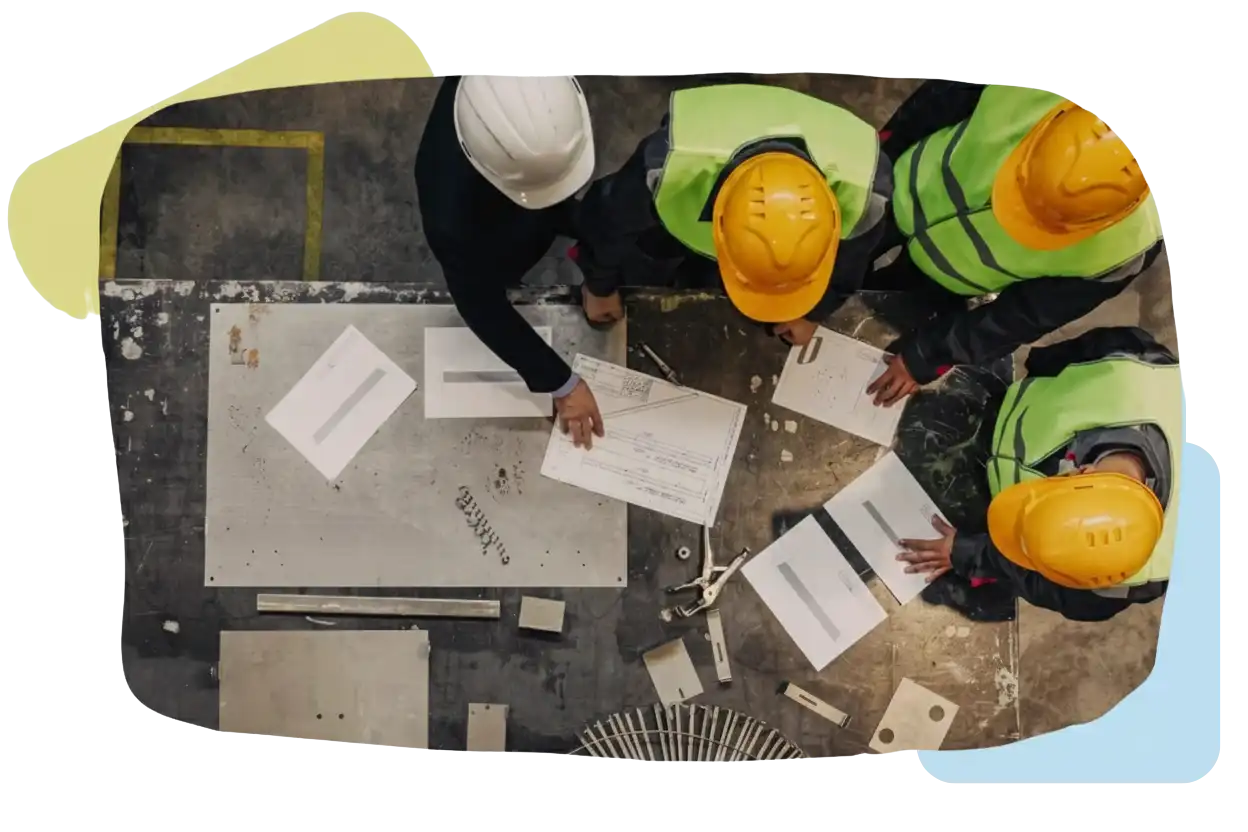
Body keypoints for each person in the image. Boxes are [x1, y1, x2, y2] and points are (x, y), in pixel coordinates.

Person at [859, 80, 1166, 408]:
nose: (1017, 218)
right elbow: (934, 102)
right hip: (895, 190)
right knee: (844, 259)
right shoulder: (1029, 93)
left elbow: (1020, 317)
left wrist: (926, 356)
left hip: (950, 275)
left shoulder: (1126, 248)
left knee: (885, 302)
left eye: (1044, 221)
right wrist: (871, 173)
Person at [895, 326, 1181, 622]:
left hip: (987, 499)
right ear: (1079, 471)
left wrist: (970, 554)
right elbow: (1068, 355)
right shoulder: (1138, 370)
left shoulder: (1123, 580)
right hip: (998, 410)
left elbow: (1049, 584)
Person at [574, 82, 894, 346]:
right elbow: (606, 221)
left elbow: (850, 265)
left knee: (716, 289)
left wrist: (811, 312)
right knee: (646, 266)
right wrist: (599, 286)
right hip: (685, 192)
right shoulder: (667, 169)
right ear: (718, 222)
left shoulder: (866, 192)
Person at [414, 73, 604, 448]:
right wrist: (561, 383)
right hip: (495, 235)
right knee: (503, 265)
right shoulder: (451, 212)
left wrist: (600, 273)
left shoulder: (533, 100)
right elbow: (481, 306)